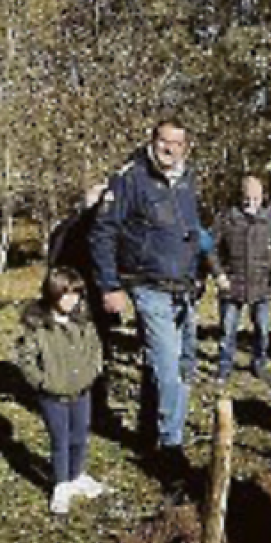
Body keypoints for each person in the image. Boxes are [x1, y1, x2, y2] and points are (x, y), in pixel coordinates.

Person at [89, 118, 205, 459]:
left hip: (183, 289)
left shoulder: (186, 179)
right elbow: (103, 231)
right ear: (153, 141)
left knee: (181, 365)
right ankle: (171, 448)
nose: (171, 149)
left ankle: (148, 431)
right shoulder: (131, 179)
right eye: (164, 141)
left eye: (178, 143)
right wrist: (109, 285)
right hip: (148, 286)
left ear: (186, 146)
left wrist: (198, 273)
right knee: (167, 367)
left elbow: (190, 229)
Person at [14, 267, 107, 514]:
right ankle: (61, 483)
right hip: (52, 396)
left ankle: (77, 475)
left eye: (76, 294)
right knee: (60, 439)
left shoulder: (83, 322)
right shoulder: (38, 326)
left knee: (80, 435)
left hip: (82, 391)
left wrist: (93, 370)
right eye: (66, 294)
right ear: (52, 293)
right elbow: (25, 359)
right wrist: (42, 382)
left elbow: (96, 347)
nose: (72, 300)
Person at [47, 183, 119, 421]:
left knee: (95, 352)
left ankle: (94, 405)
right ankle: (88, 406)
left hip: (93, 298)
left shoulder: (92, 228)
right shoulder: (72, 229)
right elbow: (56, 267)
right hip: (77, 298)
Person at [212, 175, 271, 382]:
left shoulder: (270, 219)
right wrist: (219, 273)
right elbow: (210, 250)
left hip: (261, 284)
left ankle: (259, 364)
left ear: (263, 197)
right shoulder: (226, 218)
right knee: (227, 331)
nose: (252, 202)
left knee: (262, 331)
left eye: (256, 198)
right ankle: (224, 367)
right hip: (232, 283)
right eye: (247, 197)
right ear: (240, 196)